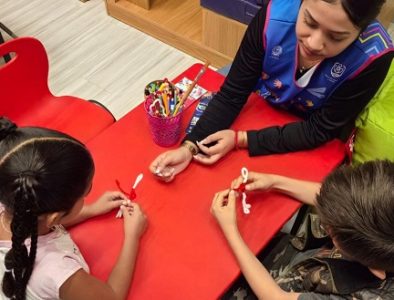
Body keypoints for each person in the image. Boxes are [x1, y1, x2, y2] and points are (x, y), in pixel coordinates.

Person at [150, 0, 394, 182]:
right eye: (309, 22)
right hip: (264, 101)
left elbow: (319, 130)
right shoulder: (274, 15)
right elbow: (233, 92)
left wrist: (241, 139)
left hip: (310, 131)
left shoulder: (373, 56)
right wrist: (189, 146)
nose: (314, 43)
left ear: (361, 32)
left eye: (336, 37)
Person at [0, 117, 147, 300]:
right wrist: (133, 236)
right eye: (86, 193)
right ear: (54, 218)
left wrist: (92, 209)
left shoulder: (10, 198)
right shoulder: (58, 272)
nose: (87, 195)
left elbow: (40, 220)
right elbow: (112, 297)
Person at [211, 160, 394, 299]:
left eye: (329, 226)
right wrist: (274, 181)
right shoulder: (380, 241)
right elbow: (335, 199)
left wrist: (230, 228)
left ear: (340, 243)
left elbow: (274, 296)